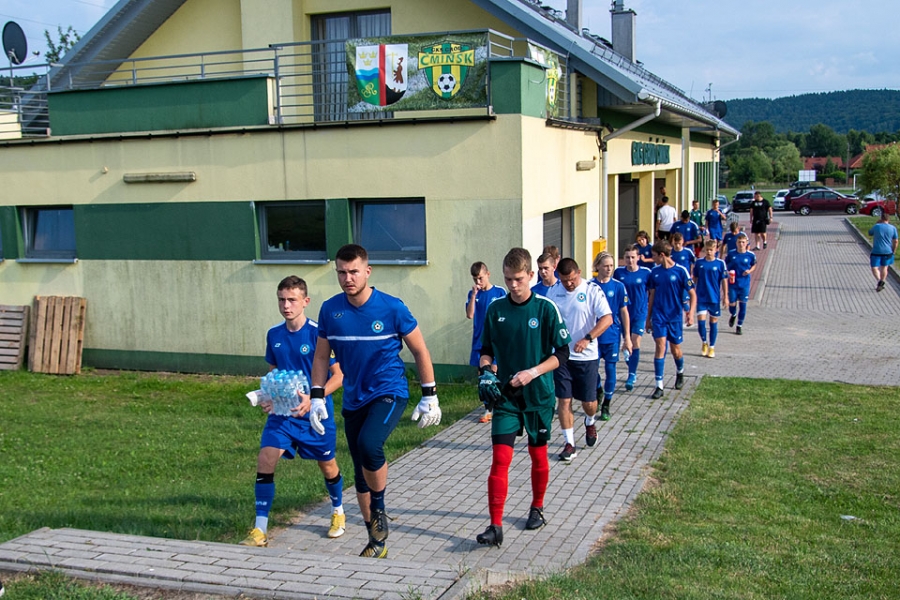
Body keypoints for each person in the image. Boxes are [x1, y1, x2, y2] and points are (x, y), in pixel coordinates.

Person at [311, 244, 441, 559]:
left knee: (371, 445)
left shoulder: (392, 308)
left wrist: (430, 395)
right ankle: (376, 541)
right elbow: (320, 356)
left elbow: (420, 350)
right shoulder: (330, 310)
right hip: (354, 397)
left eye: (353, 271)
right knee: (359, 469)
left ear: (367, 271)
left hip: (389, 390)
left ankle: (380, 508)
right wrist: (316, 396)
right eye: (341, 272)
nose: (347, 278)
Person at [475, 247, 571, 547]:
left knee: (538, 454)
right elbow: (486, 350)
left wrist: (533, 371)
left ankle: (537, 507)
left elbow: (563, 354)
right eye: (508, 280)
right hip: (506, 397)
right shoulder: (496, 309)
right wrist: (487, 371)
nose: (513, 285)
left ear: (531, 275)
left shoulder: (545, 309)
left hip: (539, 396)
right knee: (500, 459)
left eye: (518, 279)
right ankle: (495, 526)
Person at [241, 276, 346, 548]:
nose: (286, 306)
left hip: (315, 416)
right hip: (282, 416)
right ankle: (260, 529)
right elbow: (275, 373)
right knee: (266, 459)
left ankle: (338, 511)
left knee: (328, 465)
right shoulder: (274, 335)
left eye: (292, 300)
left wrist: (314, 399)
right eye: (281, 300)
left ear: (305, 302)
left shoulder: (317, 334)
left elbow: (338, 376)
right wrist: (268, 397)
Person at [546, 257, 612, 461]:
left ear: (579, 273)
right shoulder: (553, 292)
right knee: (564, 400)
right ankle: (569, 443)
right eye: (564, 280)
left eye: (572, 279)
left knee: (589, 402)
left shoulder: (592, 291)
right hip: (562, 356)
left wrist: (588, 338)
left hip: (587, 356)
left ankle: (590, 422)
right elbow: (547, 320)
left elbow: (607, 318)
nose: (569, 284)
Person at [647, 240, 696, 399]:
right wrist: (648, 318)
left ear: (662, 255)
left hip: (674, 317)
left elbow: (693, 294)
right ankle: (659, 386)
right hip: (659, 316)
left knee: (676, 350)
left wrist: (690, 313)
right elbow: (652, 296)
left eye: (654, 256)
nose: (652, 259)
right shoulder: (655, 272)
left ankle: (680, 372)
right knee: (660, 346)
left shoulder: (681, 271)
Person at [591, 252, 631, 422]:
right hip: (594, 336)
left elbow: (624, 312)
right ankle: (598, 389)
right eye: (606, 265)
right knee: (592, 371)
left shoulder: (618, 287)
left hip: (612, 336)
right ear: (598, 266)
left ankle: (607, 402)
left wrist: (627, 337)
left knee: (610, 369)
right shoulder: (590, 286)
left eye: (611, 266)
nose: (609, 269)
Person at [466, 261, 507, 423]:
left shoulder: (499, 292)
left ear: (488, 274)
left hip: (496, 341)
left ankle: (496, 408)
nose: (478, 282)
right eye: (475, 279)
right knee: (483, 377)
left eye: (481, 278)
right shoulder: (473, 294)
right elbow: (470, 315)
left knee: (493, 374)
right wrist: (474, 295)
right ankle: (488, 408)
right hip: (479, 341)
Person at [613, 246, 652, 391]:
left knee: (635, 341)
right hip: (623, 314)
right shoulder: (619, 273)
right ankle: (630, 359)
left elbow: (651, 292)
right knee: (627, 343)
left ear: (638, 257)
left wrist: (650, 314)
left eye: (633, 257)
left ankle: (632, 375)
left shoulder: (646, 273)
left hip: (639, 313)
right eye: (627, 257)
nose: (630, 260)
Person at [693, 240, 729, 358]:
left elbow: (724, 280)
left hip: (714, 298)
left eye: (711, 250)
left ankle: (712, 347)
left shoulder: (720, 264)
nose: (709, 252)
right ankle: (704, 342)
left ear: (716, 250)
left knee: (713, 323)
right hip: (701, 298)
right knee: (701, 323)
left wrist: (726, 296)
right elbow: (695, 279)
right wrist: (691, 294)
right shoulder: (699, 263)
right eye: (707, 250)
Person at [725, 233, 757, 335]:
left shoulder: (750, 255)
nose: (741, 244)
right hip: (733, 283)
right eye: (739, 242)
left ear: (746, 243)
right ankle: (733, 314)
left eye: (743, 242)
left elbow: (754, 265)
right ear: (736, 243)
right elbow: (726, 265)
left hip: (744, 284)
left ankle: (739, 326)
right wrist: (728, 273)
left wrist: (749, 271)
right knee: (732, 304)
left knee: (743, 305)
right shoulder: (731, 254)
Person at [868, 212, 898, 292]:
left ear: (881, 218)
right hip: (888, 251)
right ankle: (882, 280)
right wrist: (894, 250)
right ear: (889, 219)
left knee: (874, 267)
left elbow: (870, 233)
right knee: (884, 267)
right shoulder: (893, 228)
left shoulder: (877, 226)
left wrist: (877, 224)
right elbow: (895, 241)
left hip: (876, 251)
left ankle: (879, 280)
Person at [670, 233, 695, 326]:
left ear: (682, 242)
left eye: (679, 243)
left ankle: (688, 316)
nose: (677, 245)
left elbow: (694, 262)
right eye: (675, 243)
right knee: (675, 299)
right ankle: (676, 317)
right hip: (673, 280)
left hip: (684, 279)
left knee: (684, 299)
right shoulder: (670, 252)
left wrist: (692, 273)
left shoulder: (688, 252)